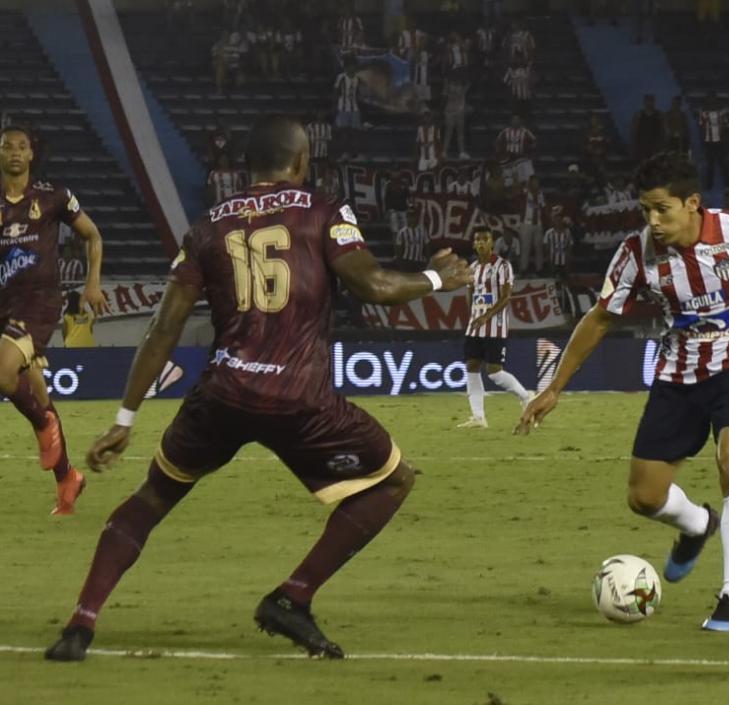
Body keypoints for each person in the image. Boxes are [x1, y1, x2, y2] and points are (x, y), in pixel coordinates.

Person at [43, 115, 472, 662]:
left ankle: (79, 625)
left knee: (152, 497)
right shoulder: (323, 210)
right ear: (301, 161)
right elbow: (374, 285)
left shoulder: (207, 227)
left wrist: (124, 419)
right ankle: (293, 597)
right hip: (300, 398)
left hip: (223, 394)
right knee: (393, 480)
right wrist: (439, 279)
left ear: (248, 166)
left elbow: (164, 326)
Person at [516, 152, 729, 631]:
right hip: (678, 374)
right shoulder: (636, 254)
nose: (652, 221)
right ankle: (697, 524)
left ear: (692, 203)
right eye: (645, 210)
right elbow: (601, 317)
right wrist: (554, 387)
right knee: (643, 496)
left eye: (662, 209)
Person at [0, 125, 105, 515]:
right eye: (7, 146)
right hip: (4, 304)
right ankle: (68, 480)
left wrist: (92, 283)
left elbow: (93, 236)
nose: (14, 152)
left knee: (3, 373)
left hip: (39, 303)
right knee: (39, 397)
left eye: (21, 146)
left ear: (31, 154)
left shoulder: (53, 196)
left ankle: (46, 427)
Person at [459, 227, 533, 429]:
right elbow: (470, 292)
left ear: (492, 242)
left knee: (494, 372)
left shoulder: (502, 266)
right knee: (471, 366)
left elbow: (506, 296)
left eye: (485, 239)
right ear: (473, 244)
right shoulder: (473, 267)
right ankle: (478, 417)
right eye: (477, 239)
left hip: (495, 326)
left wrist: (486, 315)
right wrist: (473, 315)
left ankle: (526, 397)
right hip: (475, 326)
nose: (481, 243)